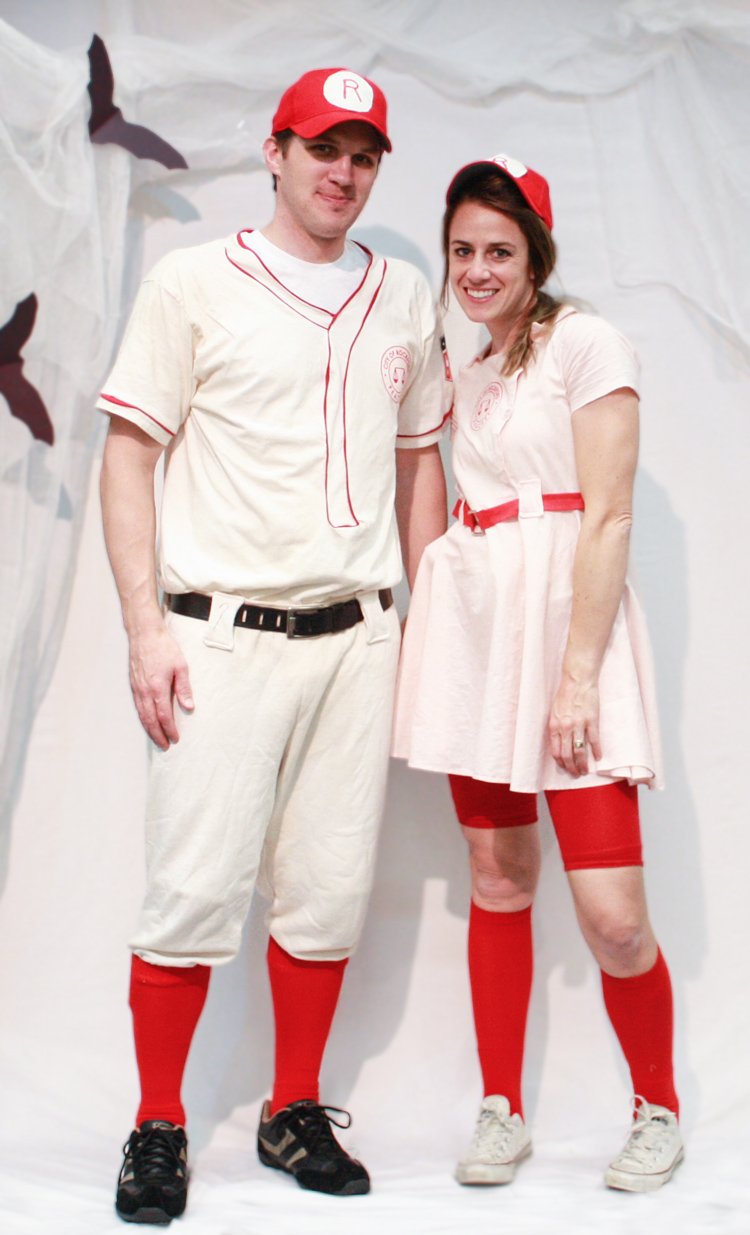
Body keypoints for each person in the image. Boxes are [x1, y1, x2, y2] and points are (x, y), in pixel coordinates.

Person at [99, 67, 449, 1225]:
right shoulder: (195, 280)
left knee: (329, 891)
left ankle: (291, 1106)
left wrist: (427, 624)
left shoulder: (401, 293)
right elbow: (129, 456)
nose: (341, 171)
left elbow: (417, 465)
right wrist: (146, 629)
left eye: (362, 154)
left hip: (358, 637)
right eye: (322, 148)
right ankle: (158, 1121)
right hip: (224, 633)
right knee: (191, 891)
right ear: (276, 151)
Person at [392, 154, 683, 1193]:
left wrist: (578, 676)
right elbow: (434, 495)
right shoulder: (462, 369)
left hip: (570, 634)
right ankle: (501, 1104)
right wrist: (428, 625)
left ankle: (659, 1103)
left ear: (536, 255)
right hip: (480, 636)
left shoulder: (586, 342)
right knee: (499, 879)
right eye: (462, 249)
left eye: (499, 251)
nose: (476, 268)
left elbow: (606, 514)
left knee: (614, 914)